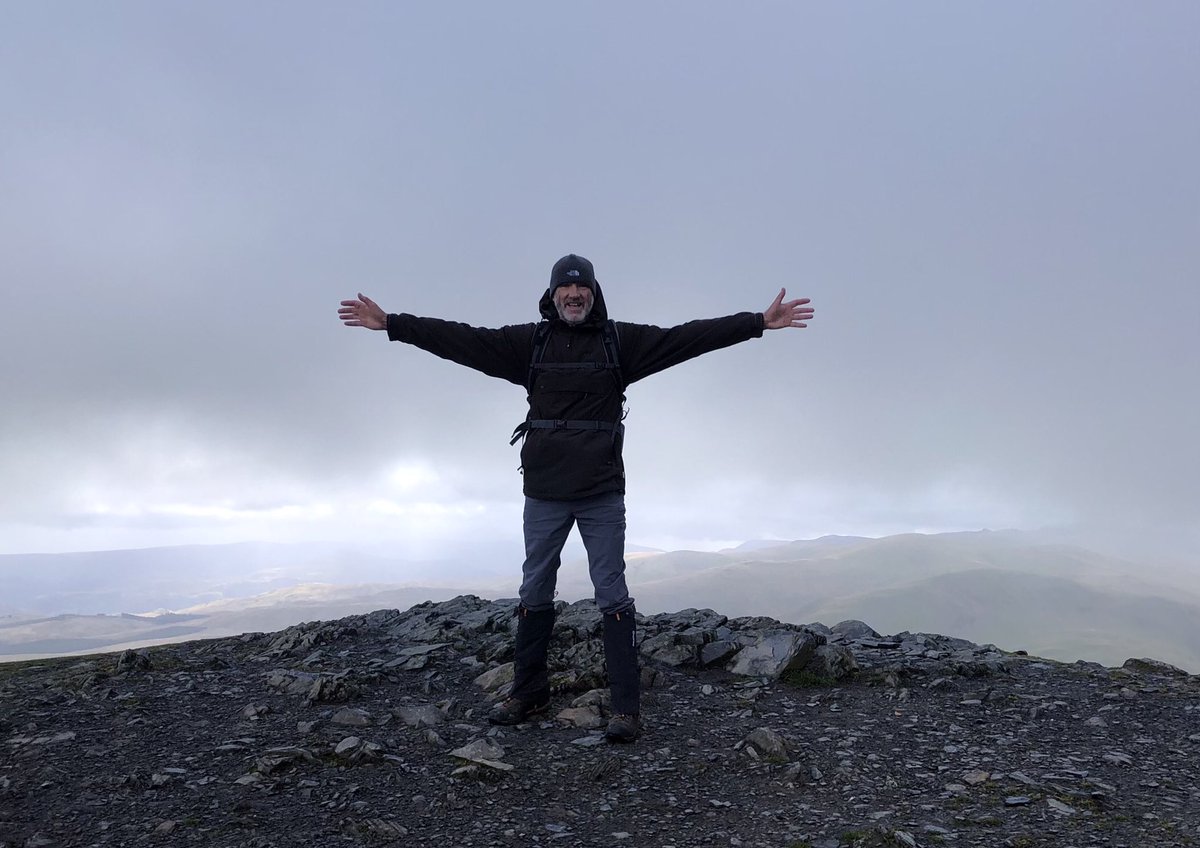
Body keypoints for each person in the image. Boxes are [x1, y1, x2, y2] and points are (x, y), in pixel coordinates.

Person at [338, 254, 813, 742]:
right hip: (544, 491)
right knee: (534, 590)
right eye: (565, 291)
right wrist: (393, 324)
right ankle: (528, 693)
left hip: (601, 492)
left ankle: (625, 709)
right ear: (553, 295)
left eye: (580, 289)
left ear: (592, 292)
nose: (573, 296)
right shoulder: (529, 343)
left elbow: (685, 338)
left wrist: (756, 322)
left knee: (611, 592)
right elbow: (463, 339)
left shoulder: (620, 342)